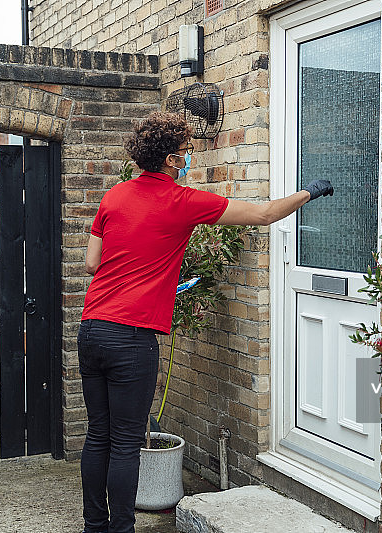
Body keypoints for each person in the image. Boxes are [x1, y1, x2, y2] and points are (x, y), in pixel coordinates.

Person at [78, 112, 333, 533]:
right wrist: (311, 191)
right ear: (170, 160)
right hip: (132, 338)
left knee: (98, 436)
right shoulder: (183, 202)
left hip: (93, 327)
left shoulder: (114, 196)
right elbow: (266, 214)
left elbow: (92, 264)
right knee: (125, 443)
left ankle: (94, 527)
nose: (188, 157)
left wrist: (142, 273)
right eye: (185, 152)